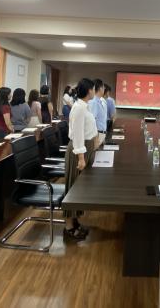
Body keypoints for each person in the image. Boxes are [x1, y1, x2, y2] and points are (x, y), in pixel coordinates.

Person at [63, 78, 99, 241]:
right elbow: (77, 135)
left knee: (79, 189)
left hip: (85, 149)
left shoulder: (84, 106)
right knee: (73, 187)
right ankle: (69, 226)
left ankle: (75, 221)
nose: (94, 91)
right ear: (89, 90)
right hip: (78, 152)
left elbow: (89, 129)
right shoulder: (78, 108)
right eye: (93, 89)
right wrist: (81, 158)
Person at [88, 79, 107, 145]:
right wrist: (96, 138)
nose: (104, 89)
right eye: (103, 87)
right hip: (96, 135)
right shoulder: (94, 102)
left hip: (100, 134)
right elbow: (92, 121)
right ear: (100, 88)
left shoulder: (98, 101)